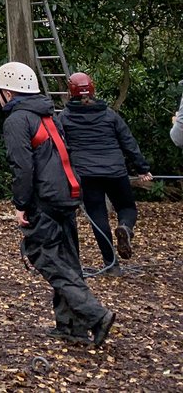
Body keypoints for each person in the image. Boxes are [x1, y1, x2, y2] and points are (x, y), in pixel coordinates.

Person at [0, 61, 115, 345]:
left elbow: (22, 167)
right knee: (69, 263)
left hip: (44, 200)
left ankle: (95, 315)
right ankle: (71, 327)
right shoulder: (48, 114)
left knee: (49, 260)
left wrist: (21, 204)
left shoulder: (17, 120)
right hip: (67, 196)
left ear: (9, 93)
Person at [60, 72, 152, 273]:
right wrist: (142, 168)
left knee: (98, 215)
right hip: (115, 171)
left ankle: (111, 265)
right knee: (127, 208)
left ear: (70, 92)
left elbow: (60, 146)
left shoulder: (64, 117)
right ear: (92, 89)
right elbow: (128, 142)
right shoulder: (109, 114)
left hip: (86, 174)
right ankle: (125, 227)